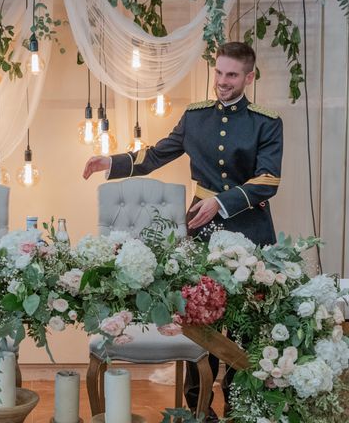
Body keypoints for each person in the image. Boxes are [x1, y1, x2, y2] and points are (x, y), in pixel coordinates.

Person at [82, 41, 283, 420]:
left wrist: (220, 202)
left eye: (232, 75)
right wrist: (111, 160)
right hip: (201, 232)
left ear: (249, 77)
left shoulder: (267, 122)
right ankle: (199, 409)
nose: (222, 82)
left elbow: (268, 180)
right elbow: (156, 154)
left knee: (246, 325)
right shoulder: (196, 116)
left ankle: (240, 406)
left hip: (252, 231)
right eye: (219, 72)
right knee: (200, 319)